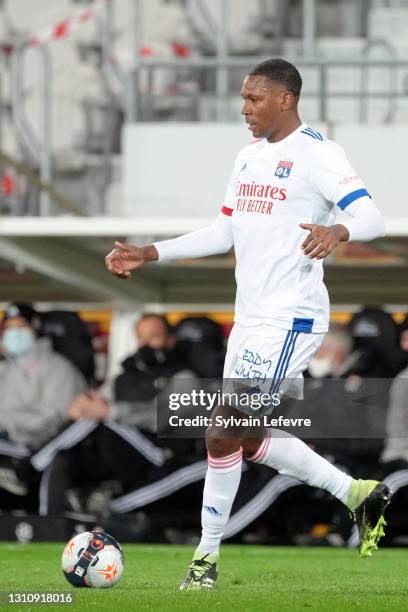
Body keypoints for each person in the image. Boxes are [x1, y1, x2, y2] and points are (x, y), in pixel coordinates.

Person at [105, 59, 390, 589]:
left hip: (291, 319)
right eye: (243, 98)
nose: (244, 109)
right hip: (251, 317)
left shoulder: (318, 153)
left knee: (220, 430)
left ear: (285, 99)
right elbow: (223, 232)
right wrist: (150, 252)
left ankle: (204, 561)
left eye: (254, 99)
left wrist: (339, 230)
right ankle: (358, 494)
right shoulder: (247, 158)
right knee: (247, 434)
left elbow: (373, 214)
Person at [0, 303, 85, 505]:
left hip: (37, 447)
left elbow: (55, 419)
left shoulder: (58, 368)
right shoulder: (5, 368)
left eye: (20, 327)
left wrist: (7, 422)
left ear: (35, 329)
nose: (14, 333)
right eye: (9, 328)